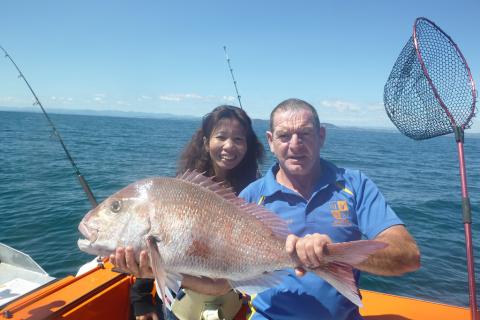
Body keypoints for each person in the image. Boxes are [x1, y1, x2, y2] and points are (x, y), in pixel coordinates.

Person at [238, 98, 421, 319]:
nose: (295, 144)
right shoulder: (250, 197)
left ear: (321, 136)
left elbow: (409, 255)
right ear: (271, 141)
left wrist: (333, 254)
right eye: (284, 136)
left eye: (305, 134)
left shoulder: (355, 184)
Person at [111, 105, 264, 320]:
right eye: (221, 137)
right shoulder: (183, 191)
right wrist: (141, 299)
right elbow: (156, 243)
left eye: (239, 139)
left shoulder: (255, 194)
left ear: (248, 146)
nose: (229, 146)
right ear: (205, 142)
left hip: (232, 305)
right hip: (181, 306)